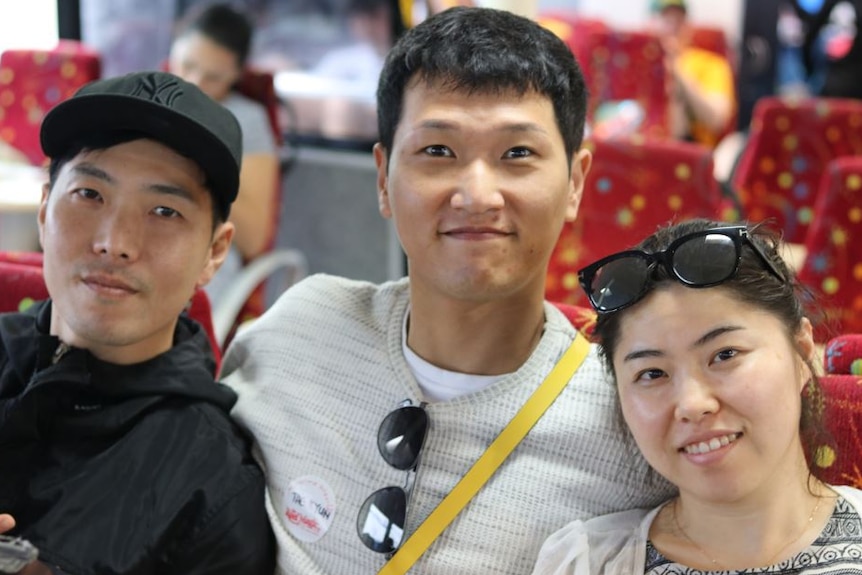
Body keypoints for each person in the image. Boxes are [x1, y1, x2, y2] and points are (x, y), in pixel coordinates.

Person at [220, 6, 675, 575]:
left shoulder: (636, 417)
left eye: (517, 154)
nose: (477, 195)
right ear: (384, 179)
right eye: (438, 151)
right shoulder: (296, 335)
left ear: (575, 182)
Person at [0, 71, 275, 574]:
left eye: (165, 211)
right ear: (44, 211)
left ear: (214, 252)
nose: (115, 241)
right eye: (89, 195)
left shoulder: (210, 489)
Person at [532, 218, 862, 574]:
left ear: (801, 353)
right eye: (652, 374)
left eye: (725, 355)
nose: (692, 404)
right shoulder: (586, 562)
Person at [168, 2, 280, 305]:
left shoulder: (246, 120)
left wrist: (202, 151)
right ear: (174, 48)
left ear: (236, 75)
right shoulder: (145, 99)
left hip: (201, 255)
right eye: (188, 66)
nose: (195, 85)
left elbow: (253, 239)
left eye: (213, 77)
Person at [651, 0, 736, 148]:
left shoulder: (712, 64)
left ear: (688, 26)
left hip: (691, 148)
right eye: (666, 21)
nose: (672, 28)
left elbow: (716, 119)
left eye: (678, 21)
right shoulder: (642, 67)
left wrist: (676, 72)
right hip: (645, 145)